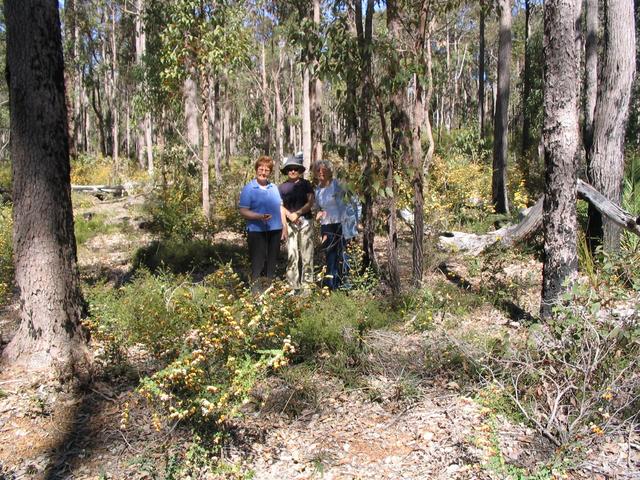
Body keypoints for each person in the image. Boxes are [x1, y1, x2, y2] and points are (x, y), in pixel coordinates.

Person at [239, 156, 287, 288]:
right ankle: (255, 293)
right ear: (256, 170)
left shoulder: (274, 188)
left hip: (275, 230)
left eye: (267, 170)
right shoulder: (249, 188)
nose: (263, 172)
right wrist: (258, 216)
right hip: (256, 231)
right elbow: (243, 210)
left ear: (270, 172)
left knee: (272, 262)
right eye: (261, 169)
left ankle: (268, 290)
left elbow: (280, 207)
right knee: (258, 263)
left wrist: (284, 227)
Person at [279, 153, 315, 290]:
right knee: (292, 255)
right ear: (286, 171)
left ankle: (307, 285)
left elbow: (310, 202)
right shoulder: (281, 187)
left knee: (307, 255)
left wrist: (298, 213)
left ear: (300, 170)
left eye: (295, 168)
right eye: (290, 169)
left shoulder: (306, 184)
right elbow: (280, 206)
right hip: (289, 224)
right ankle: (293, 286)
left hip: (306, 222)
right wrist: (290, 216)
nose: (293, 171)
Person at [314, 160, 347, 290]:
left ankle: (344, 284)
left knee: (342, 254)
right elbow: (319, 208)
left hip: (340, 224)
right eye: (318, 170)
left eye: (324, 170)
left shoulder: (337, 185)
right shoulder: (317, 190)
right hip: (326, 226)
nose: (321, 173)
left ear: (329, 172)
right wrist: (319, 214)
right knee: (329, 255)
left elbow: (348, 204)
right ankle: (331, 285)